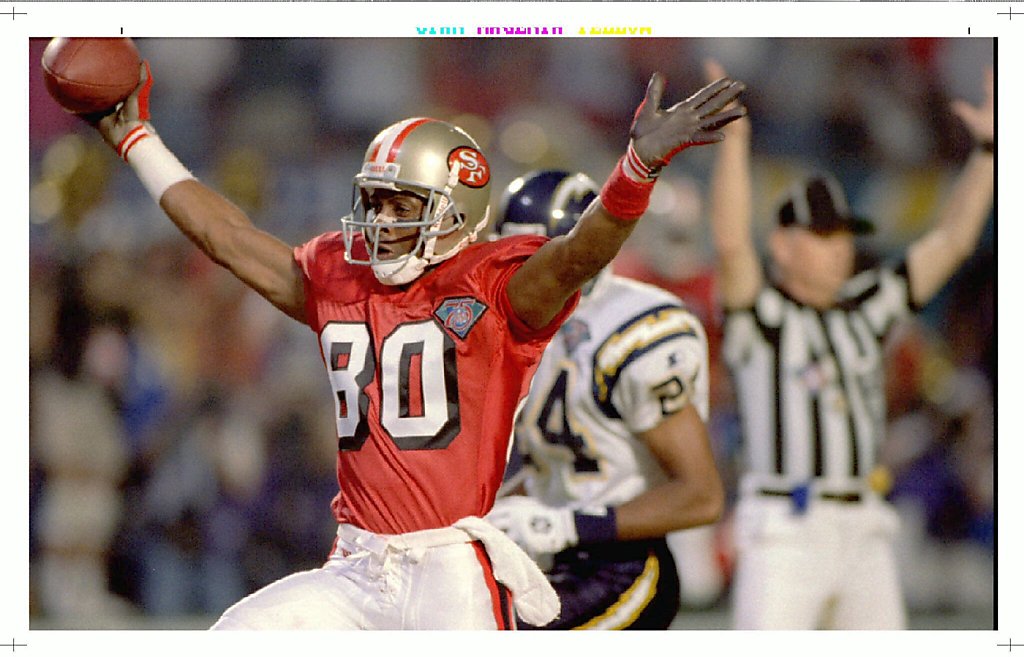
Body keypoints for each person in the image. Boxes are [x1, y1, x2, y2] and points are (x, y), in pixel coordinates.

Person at [85, 55, 746, 629]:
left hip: (450, 567)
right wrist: (138, 138)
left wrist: (638, 166)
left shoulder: (495, 286)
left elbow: (578, 254)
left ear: (456, 209)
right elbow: (227, 238)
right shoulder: (338, 276)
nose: (381, 221)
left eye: (403, 204)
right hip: (354, 563)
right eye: (374, 202)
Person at [705, 60, 993, 630]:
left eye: (843, 237)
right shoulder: (762, 315)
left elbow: (953, 240)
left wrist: (988, 155)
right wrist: (735, 144)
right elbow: (732, 243)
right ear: (784, 246)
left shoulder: (867, 306)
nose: (838, 251)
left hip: (865, 522)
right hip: (785, 524)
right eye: (822, 236)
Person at [486, 170, 725, 629]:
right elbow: (554, 462)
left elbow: (701, 496)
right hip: (554, 561)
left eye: (533, 254)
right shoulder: (519, 327)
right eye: (508, 255)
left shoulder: (632, 327)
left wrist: (566, 524)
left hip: (623, 566)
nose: (520, 271)